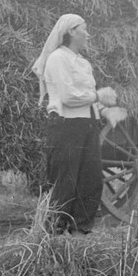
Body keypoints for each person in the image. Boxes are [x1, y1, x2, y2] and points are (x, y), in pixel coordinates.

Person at [31, 13, 118, 236]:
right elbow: (68, 97)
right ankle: (54, 237)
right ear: (71, 32)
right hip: (66, 126)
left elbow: (83, 97)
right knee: (65, 183)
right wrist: (98, 96)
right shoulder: (58, 58)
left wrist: (102, 109)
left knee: (91, 180)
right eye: (84, 29)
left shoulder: (82, 62)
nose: (88, 34)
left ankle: (80, 234)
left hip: (86, 124)